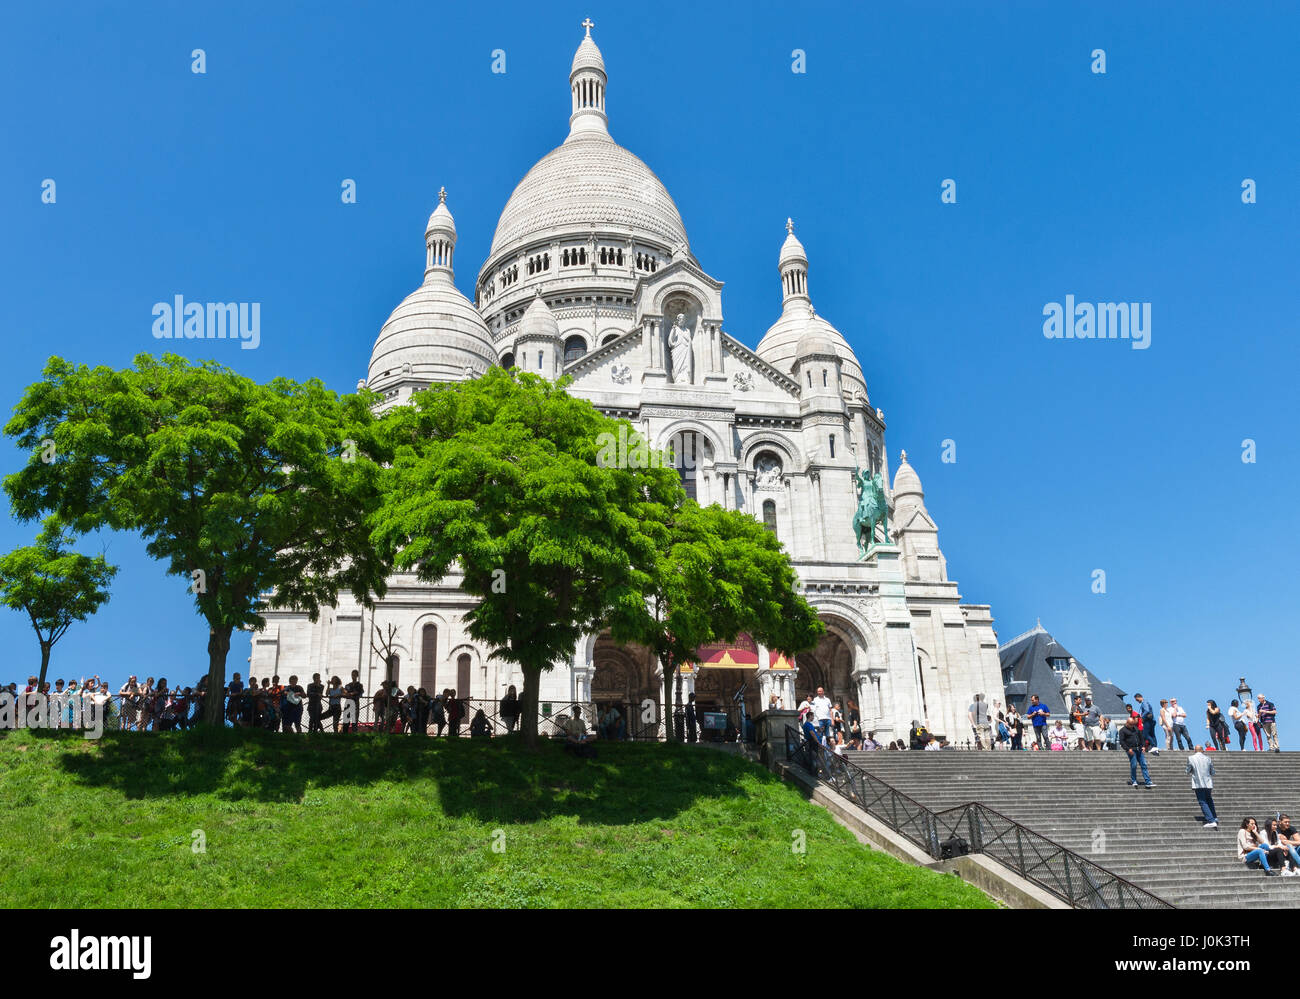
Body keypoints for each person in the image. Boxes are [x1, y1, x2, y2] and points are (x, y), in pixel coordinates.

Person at [1185, 747, 1218, 827]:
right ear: (1202, 750)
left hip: (1198, 783)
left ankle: (1211, 820)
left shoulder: (1191, 758)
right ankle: (1214, 817)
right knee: (1209, 799)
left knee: (1202, 801)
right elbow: (1212, 772)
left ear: (1195, 750)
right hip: (1208, 783)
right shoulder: (1208, 758)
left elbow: (1187, 770)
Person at [1119, 717, 1154, 788]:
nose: (1132, 726)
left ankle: (1148, 781)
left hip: (1139, 749)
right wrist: (1128, 749)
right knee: (1134, 765)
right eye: (1131, 725)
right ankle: (1134, 780)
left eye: (1133, 724)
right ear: (1127, 723)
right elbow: (1122, 742)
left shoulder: (1136, 729)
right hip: (1131, 750)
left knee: (1144, 764)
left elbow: (1141, 738)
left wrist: (1143, 746)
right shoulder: (1122, 730)